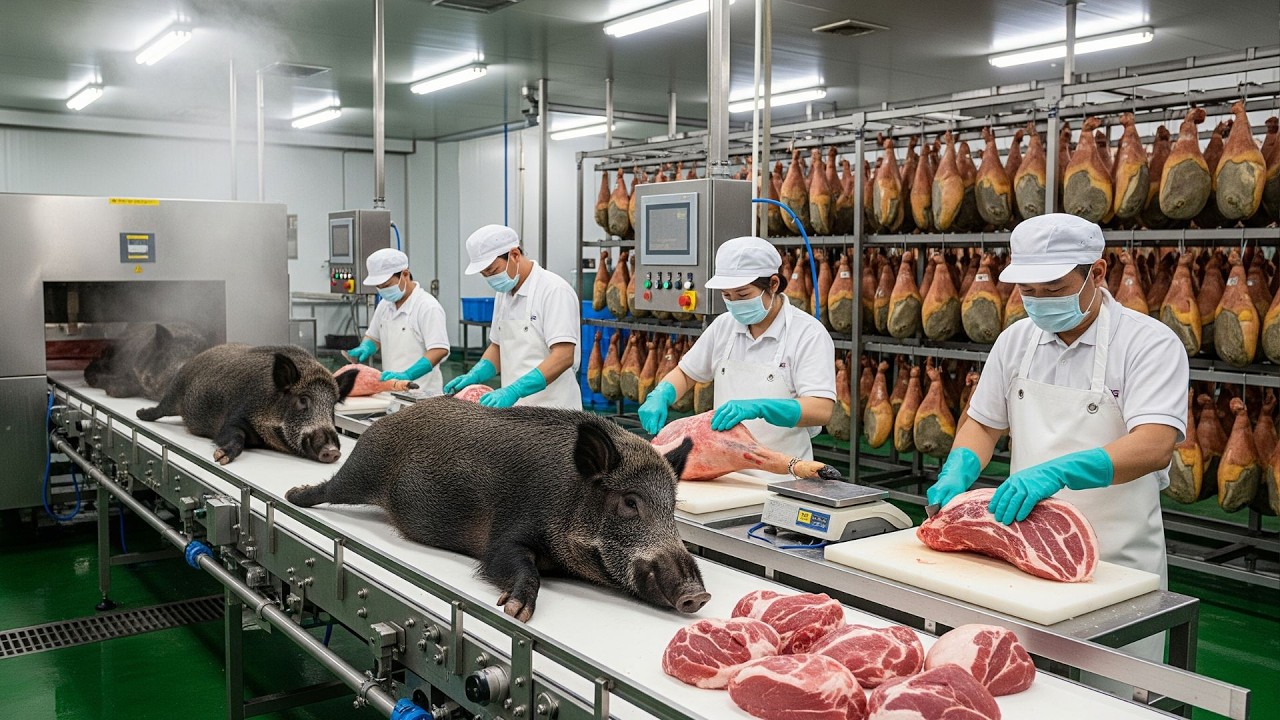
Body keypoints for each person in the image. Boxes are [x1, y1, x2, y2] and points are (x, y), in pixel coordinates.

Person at [925, 213, 1189, 669]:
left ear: (1098, 273)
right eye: (1029, 292)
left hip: (1115, 561)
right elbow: (984, 424)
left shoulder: (1149, 343)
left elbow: (1154, 444)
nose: (1040, 302)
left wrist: (1057, 471)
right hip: (1024, 548)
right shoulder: (1015, 341)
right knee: (1028, 683)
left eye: (1055, 290)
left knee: (1114, 692)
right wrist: (958, 469)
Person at [638, 236, 835, 480]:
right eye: (727, 296)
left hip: (783, 477)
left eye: (743, 294)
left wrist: (759, 407)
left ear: (773, 284)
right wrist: (661, 394)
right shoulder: (724, 326)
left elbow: (821, 409)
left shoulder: (808, 333)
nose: (734, 304)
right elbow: (685, 373)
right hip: (723, 475)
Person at [444, 225, 582, 409]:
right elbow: (498, 345)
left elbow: (564, 356)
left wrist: (515, 390)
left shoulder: (554, 290)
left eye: (493, 271)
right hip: (516, 411)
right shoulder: (503, 294)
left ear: (515, 255)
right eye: (484, 275)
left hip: (554, 411)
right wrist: (474, 375)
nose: (491, 279)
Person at [347, 248, 450, 394]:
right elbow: (374, 337)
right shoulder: (385, 304)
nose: (383, 291)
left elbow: (439, 349)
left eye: (387, 285)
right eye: (379, 287)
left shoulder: (427, 306)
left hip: (422, 395)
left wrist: (408, 374)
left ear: (405, 274)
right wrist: (366, 346)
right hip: (391, 391)